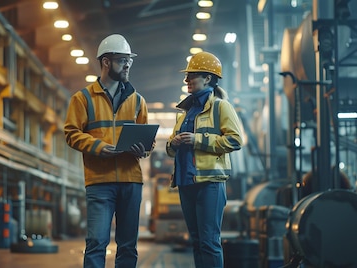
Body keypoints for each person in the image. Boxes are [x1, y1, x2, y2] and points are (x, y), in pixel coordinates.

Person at [64, 33, 152, 268]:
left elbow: (147, 140)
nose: (128, 65)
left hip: (131, 180)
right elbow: (71, 133)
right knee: (96, 242)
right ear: (106, 61)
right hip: (99, 182)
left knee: (127, 245)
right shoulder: (82, 99)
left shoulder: (137, 101)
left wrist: (142, 148)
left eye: (129, 60)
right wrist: (99, 147)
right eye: (123, 60)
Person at [166, 51, 244, 268]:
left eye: (192, 76)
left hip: (209, 183)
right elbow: (170, 149)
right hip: (185, 182)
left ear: (208, 78)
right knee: (198, 241)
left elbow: (235, 140)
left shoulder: (220, 107)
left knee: (209, 242)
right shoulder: (184, 114)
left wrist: (198, 139)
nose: (187, 80)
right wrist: (174, 144)